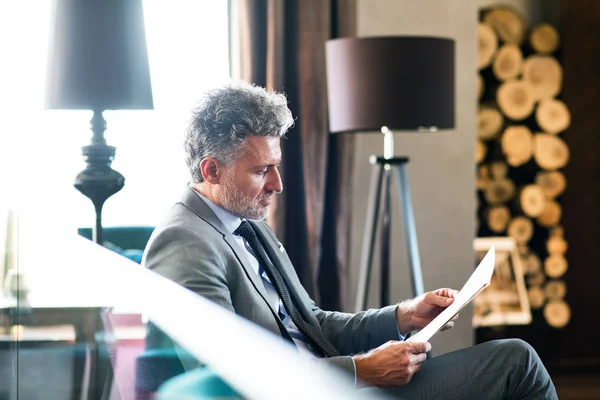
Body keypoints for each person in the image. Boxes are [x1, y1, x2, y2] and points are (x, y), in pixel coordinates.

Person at [142, 81, 558, 399]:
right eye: (260, 171)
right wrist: (361, 371)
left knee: (514, 358)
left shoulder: (245, 222)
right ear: (211, 170)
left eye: (276, 166)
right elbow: (226, 376)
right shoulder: (183, 244)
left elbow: (313, 324)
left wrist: (403, 316)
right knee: (515, 363)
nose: (277, 185)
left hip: (336, 382)